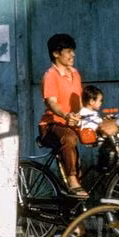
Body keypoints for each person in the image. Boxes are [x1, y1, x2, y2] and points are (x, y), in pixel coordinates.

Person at [38, 33, 86, 197]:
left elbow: (79, 101)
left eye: (73, 51)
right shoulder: (50, 75)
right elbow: (51, 102)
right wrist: (65, 116)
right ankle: (72, 180)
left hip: (72, 123)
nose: (73, 55)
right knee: (69, 138)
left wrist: (89, 117)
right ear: (56, 53)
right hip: (52, 125)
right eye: (69, 51)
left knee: (102, 134)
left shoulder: (75, 73)